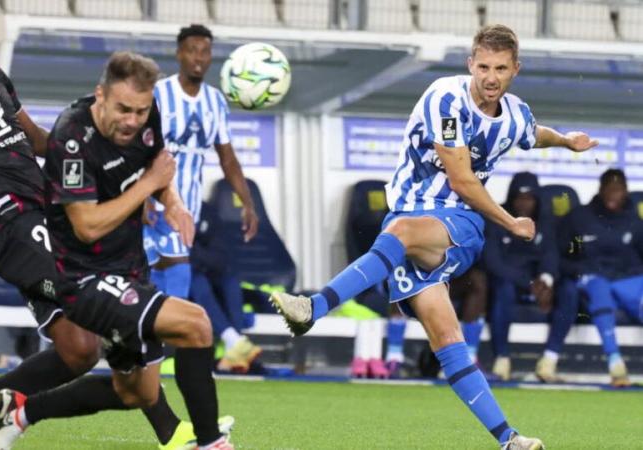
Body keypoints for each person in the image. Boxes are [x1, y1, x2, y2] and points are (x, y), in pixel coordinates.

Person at [270, 24, 597, 449]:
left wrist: (568, 142)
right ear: (470, 64)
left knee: (399, 232)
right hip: (414, 223)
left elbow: (532, 135)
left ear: (515, 69)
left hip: (461, 224)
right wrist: (512, 222)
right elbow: (461, 176)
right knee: (447, 339)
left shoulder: (515, 112)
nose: (491, 77)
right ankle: (509, 439)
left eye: (500, 68)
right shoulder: (446, 99)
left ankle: (313, 307)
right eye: (483, 66)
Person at [0, 3, 225, 449]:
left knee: (79, 351)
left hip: (45, 206)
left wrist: (91, 170)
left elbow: (37, 138)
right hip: (10, 222)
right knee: (103, 303)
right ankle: (175, 430)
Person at [143, 24, 258, 301]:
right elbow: (140, 148)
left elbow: (227, 158)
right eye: (192, 51)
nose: (199, 57)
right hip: (149, 207)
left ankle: (161, 342)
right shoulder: (159, 93)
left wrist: (248, 203)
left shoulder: (215, 101)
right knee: (147, 280)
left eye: (205, 52)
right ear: (179, 54)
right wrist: (143, 196)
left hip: (185, 212)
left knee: (178, 281)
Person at [483, 172, 576, 382]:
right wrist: (531, 283)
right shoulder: (497, 219)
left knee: (569, 290)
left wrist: (546, 280)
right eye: (519, 198)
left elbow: (551, 255)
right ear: (511, 197)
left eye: (529, 198)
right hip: (512, 280)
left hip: (538, 282)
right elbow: (493, 262)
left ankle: (549, 361)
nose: (524, 204)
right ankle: (502, 359)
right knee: (502, 288)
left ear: (537, 199)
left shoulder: (546, 220)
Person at [559, 168, 643, 387]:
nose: (614, 194)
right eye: (610, 189)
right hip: (593, 279)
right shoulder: (580, 217)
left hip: (628, 281)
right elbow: (560, 255)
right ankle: (615, 363)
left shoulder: (635, 220)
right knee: (600, 289)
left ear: (626, 191)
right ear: (601, 189)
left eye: (619, 189)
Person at [189, 201, 262, 372]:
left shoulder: (205, 210)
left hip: (201, 269)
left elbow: (220, 256)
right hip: (167, 280)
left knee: (229, 278)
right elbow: (179, 255)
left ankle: (234, 346)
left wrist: (199, 258)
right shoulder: (159, 210)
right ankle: (237, 343)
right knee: (195, 279)